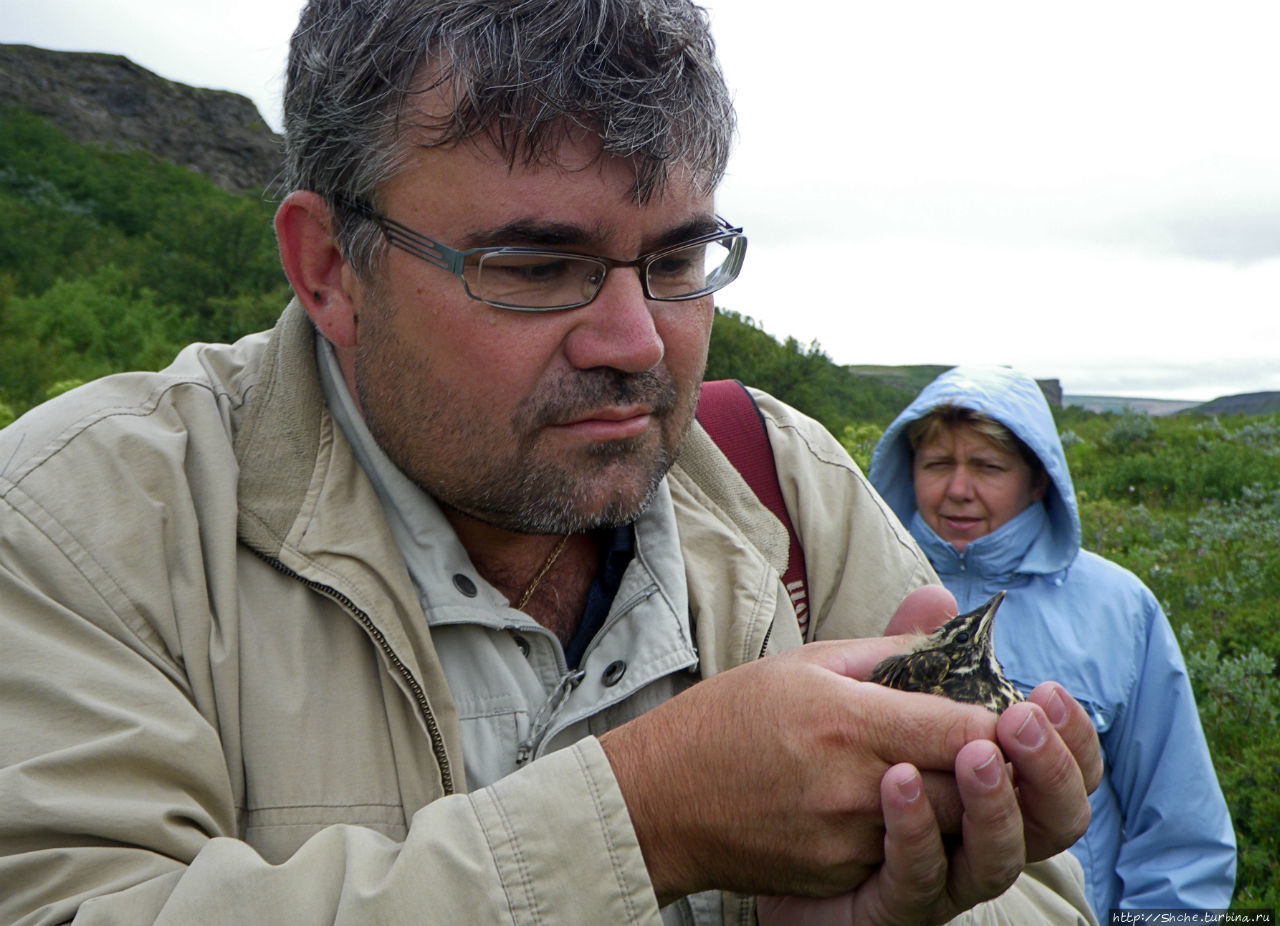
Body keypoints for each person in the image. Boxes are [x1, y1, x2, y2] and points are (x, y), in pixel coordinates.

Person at [0, 3, 1102, 923]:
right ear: (330, 266)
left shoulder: (783, 481)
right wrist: (645, 815)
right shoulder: (76, 523)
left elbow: (1047, 899)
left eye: (676, 260)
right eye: (533, 264)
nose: (634, 341)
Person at [869, 364, 1237, 918]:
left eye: (988, 467)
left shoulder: (1118, 606)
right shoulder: (861, 584)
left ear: (1037, 478)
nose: (958, 490)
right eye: (937, 463)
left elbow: (1182, 838)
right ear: (909, 467)